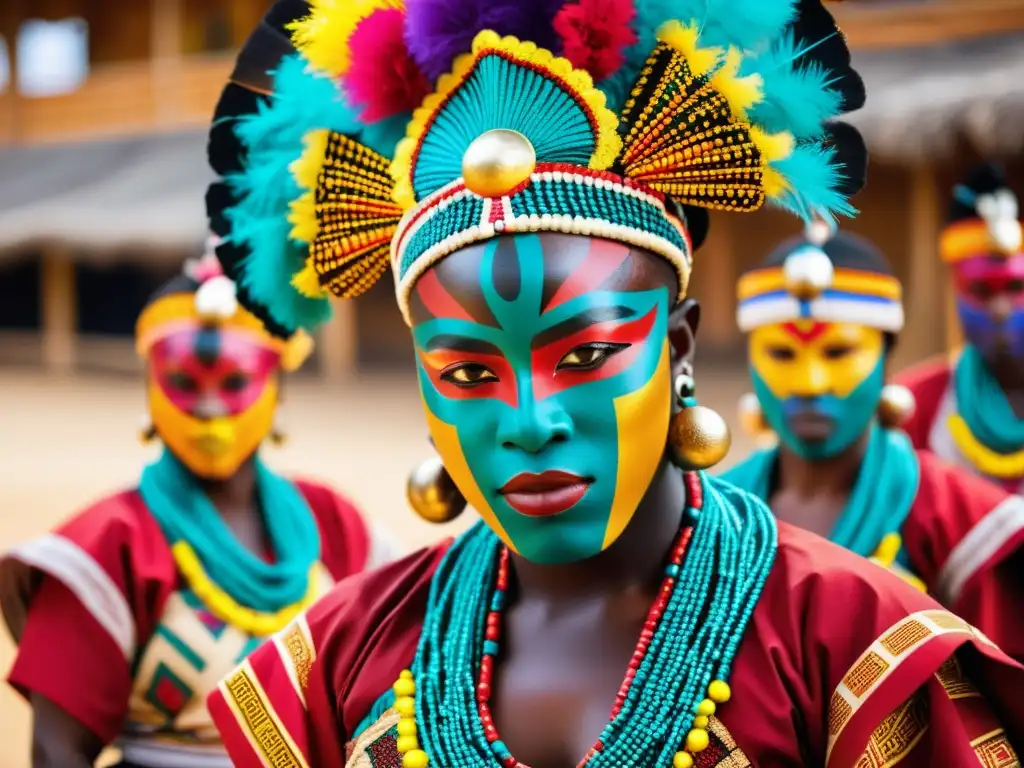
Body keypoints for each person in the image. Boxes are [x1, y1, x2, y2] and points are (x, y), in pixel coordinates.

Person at [205, 0, 1024, 765]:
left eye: (587, 356)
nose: (530, 422)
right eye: (465, 371)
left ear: (678, 348)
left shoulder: (847, 645)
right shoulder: (345, 655)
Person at [0, 247, 399, 768]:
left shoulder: (337, 525)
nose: (210, 407)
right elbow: (57, 753)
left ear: (277, 391)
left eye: (235, 382)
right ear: (150, 391)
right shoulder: (106, 546)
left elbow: (392, 694)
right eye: (184, 382)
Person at [722, 225, 1024, 664]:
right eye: (782, 355)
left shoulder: (956, 517)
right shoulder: (716, 514)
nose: (810, 383)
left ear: (887, 358)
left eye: (839, 353)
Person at [897, 163, 1024, 496]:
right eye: (981, 290)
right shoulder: (914, 404)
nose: (1000, 308)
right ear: (954, 293)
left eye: (1014, 286)